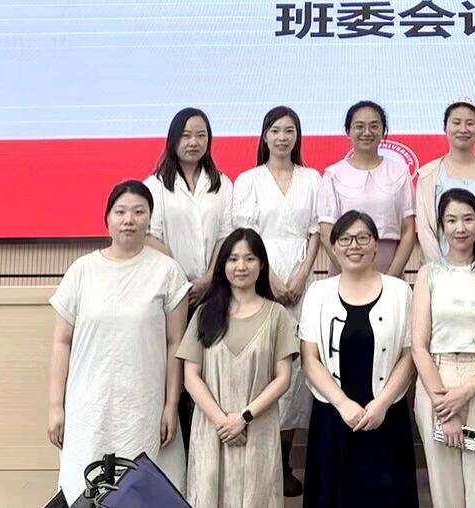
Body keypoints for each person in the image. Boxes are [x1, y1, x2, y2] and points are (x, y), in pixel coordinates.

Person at [48, 180, 190, 503]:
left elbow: (175, 344)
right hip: (89, 406)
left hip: (143, 407)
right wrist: (55, 405)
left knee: (140, 491)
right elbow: (61, 342)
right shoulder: (82, 271)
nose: (129, 220)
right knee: (83, 491)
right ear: (107, 218)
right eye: (121, 211)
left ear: (149, 219)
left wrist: (170, 405)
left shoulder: (168, 273)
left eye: (139, 212)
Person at [299, 210, 421, 508]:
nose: (354, 245)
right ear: (334, 246)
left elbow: (409, 356)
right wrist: (342, 404)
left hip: (385, 414)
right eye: (345, 239)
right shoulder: (318, 292)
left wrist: (381, 404)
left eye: (363, 237)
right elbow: (310, 359)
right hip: (333, 414)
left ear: (375, 245)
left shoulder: (399, 291)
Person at [230, 105, 322, 495]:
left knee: (297, 370)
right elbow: (244, 237)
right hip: (258, 278)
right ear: (264, 136)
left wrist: (299, 277)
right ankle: (257, 458)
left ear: (297, 136)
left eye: (289, 131)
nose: (282, 137)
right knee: (262, 365)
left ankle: (283, 463)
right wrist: (271, 277)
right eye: (275, 130)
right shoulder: (248, 180)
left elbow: (317, 232)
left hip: (302, 283)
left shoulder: (312, 178)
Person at [178, 227, 299, 508]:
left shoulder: (277, 315)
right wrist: (223, 421)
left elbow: (282, 379)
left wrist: (242, 418)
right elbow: (191, 377)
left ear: (262, 264)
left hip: (258, 428)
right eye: (233, 259)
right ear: (223, 265)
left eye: (249, 258)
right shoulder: (204, 313)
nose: (241, 266)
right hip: (212, 430)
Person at [411, 188, 475, 508]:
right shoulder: (428, 273)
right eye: (452, 220)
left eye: (468, 219)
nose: (460, 228)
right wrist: (445, 405)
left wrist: (466, 392)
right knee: (446, 490)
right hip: (437, 381)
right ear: (441, 225)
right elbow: (418, 346)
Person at [316, 100, 416, 276]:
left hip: (390, 269)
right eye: (359, 126)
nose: (367, 132)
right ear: (348, 131)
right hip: (344, 269)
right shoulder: (333, 174)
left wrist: (391, 277)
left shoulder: (399, 171)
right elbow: (326, 231)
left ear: (383, 131)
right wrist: (349, 273)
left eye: (374, 126)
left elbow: (408, 229)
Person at [146, 107, 235, 295]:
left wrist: (209, 278)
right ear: (173, 139)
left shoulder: (223, 184)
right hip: (168, 285)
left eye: (201, 136)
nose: (193, 142)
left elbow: (225, 236)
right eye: (185, 136)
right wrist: (179, 278)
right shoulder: (154, 185)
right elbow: (151, 237)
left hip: (213, 287)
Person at [415, 100, 475, 264]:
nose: (463, 129)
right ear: (445, 128)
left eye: (470, 123)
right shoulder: (428, 175)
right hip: (440, 272)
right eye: (456, 123)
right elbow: (426, 230)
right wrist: (441, 270)